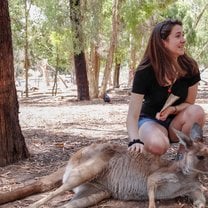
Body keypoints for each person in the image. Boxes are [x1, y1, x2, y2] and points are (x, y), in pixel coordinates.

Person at [126, 19, 205, 159]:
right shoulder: (145, 71)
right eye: (178, 36)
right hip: (150, 120)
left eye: (183, 35)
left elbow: (189, 103)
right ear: (163, 42)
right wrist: (134, 140)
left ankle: (182, 156)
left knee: (197, 111)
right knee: (158, 145)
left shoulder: (190, 67)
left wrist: (173, 110)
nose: (183, 40)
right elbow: (132, 115)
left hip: (176, 123)